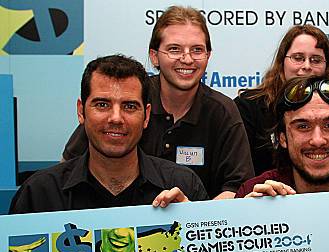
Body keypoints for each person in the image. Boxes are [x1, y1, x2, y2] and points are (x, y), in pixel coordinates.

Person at [62, 6, 253, 199]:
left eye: (197, 50)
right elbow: (69, 167)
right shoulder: (131, 99)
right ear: (154, 56)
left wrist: (196, 219)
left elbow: (237, 187)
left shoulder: (223, 111)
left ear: (208, 56)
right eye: (174, 49)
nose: (187, 59)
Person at [10, 54, 207, 214]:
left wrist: (194, 226)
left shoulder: (183, 186)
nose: (116, 118)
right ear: (81, 111)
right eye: (102, 104)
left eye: (129, 106)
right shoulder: (39, 195)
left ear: (146, 116)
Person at [234, 75, 329, 198]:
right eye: (303, 127)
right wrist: (248, 217)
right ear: (282, 138)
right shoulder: (254, 194)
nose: (317, 140)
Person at [234, 25, 329, 175]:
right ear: (282, 62)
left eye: (316, 60)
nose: (307, 66)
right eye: (298, 58)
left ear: (326, 66)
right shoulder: (249, 107)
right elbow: (238, 173)